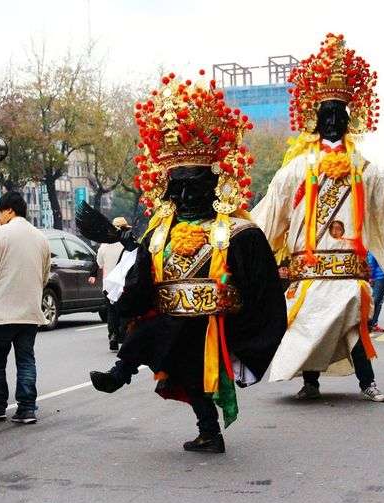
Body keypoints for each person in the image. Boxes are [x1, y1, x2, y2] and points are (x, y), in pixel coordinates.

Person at [86, 70, 287, 453]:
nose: (184, 194)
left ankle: (205, 427)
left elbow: (262, 289)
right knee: (148, 340)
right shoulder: (160, 232)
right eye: (176, 186)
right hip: (172, 317)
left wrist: (236, 311)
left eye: (193, 185)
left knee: (186, 364)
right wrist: (123, 300)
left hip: (214, 324)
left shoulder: (239, 233)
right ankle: (123, 372)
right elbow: (142, 281)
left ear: (214, 184)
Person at [252, 34, 384, 402]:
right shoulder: (294, 170)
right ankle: (310, 381)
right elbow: (268, 217)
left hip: (348, 271)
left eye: (337, 115)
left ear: (348, 119)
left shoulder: (367, 172)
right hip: (308, 272)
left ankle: (367, 382)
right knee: (308, 325)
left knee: (353, 329)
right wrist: (233, 244)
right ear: (314, 120)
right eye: (324, 115)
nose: (330, 122)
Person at [0, 192, 50, 424]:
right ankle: (27, 408)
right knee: (26, 359)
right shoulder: (40, 238)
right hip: (29, 312)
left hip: (1, 312)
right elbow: (45, 275)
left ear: (9, 210)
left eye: (0, 212)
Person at [90, 217, 131, 351]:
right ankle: (122, 336)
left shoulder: (104, 246)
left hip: (108, 285)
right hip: (125, 283)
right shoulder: (128, 244)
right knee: (124, 311)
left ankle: (113, 335)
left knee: (111, 312)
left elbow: (100, 263)